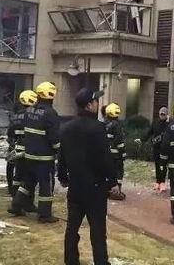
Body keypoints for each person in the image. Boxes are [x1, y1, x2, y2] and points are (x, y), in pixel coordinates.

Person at [58, 87, 118, 265]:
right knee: (98, 231)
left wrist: (63, 177)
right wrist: (113, 181)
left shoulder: (66, 128)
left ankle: (71, 261)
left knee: (72, 229)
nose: (98, 104)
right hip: (96, 188)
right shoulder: (98, 128)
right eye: (96, 101)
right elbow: (106, 158)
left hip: (76, 187)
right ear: (89, 105)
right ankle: (101, 262)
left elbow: (62, 155)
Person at [9, 81, 60, 222]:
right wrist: (59, 150)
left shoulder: (29, 111)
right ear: (52, 95)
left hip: (29, 154)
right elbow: (54, 137)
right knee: (46, 186)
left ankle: (16, 205)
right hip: (44, 158)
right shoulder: (51, 113)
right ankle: (45, 215)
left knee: (27, 182)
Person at [6, 90, 38, 207]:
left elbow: (10, 133)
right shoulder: (31, 116)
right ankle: (26, 203)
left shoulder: (16, 116)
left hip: (17, 149)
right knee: (29, 177)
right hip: (29, 150)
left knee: (17, 177)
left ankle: (15, 200)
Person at [135, 106, 169, 192]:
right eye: (161, 114)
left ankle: (162, 182)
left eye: (163, 114)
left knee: (163, 165)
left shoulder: (169, 124)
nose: (162, 116)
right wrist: (142, 140)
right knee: (157, 165)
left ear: (166, 115)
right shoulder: (155, 122)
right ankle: (158, 182)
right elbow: (149, 133)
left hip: (165, 148)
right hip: (156, 147)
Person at [104, 103, 126, 200]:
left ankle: (108, 190)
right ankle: (117, 192)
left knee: (109, 171)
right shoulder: (117, 125)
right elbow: (119, 141)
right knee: (119, 172)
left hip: (107, 154)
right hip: (116, 155)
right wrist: (123, 153)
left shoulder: (105, 124)